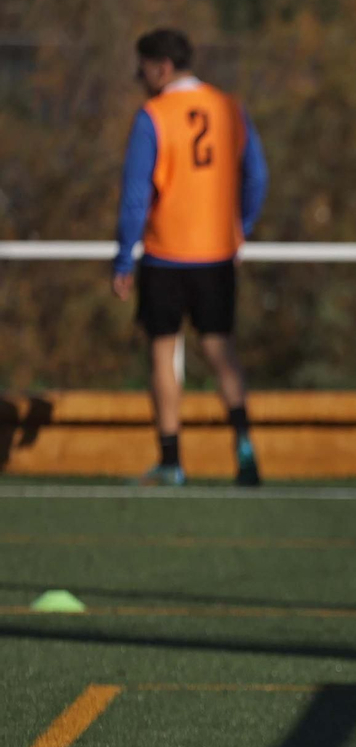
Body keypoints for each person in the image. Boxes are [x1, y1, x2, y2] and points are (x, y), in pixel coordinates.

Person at [112, 28, 268, 486]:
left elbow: (136, 195)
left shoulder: (154, 115)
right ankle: (244, 450)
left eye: (142, 68)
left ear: (161, 67)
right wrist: (242, 228)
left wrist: (124, 257)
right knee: (221, 351)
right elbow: (258, 176)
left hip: (165, 254)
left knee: (163, 352)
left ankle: (171, 460)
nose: (138, 77)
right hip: (217, 255)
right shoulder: (229, 108)